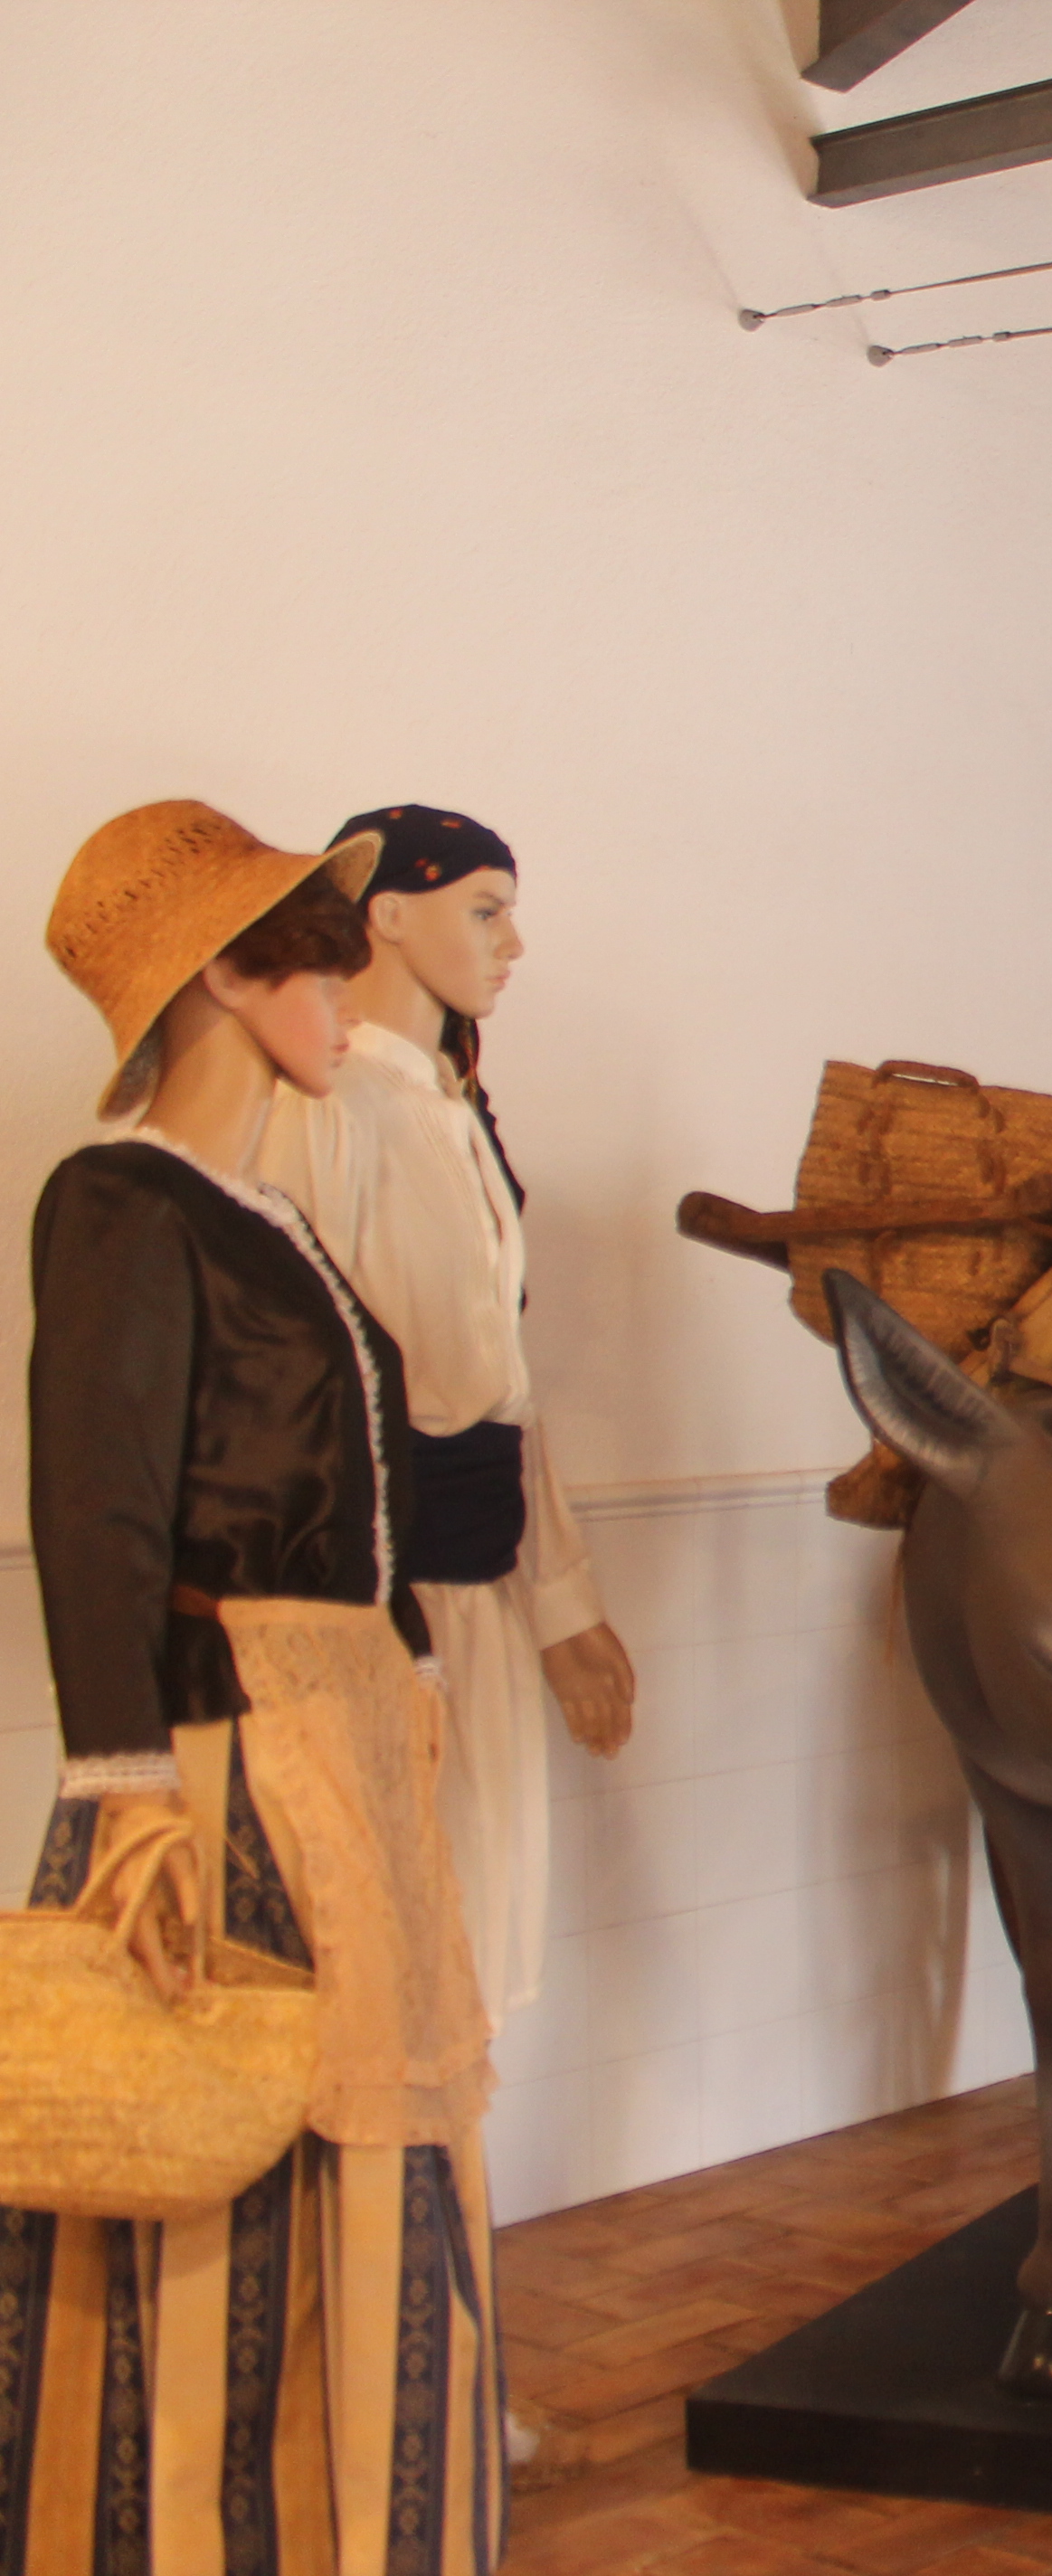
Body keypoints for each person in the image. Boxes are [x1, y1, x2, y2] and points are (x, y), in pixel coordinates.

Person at [6, 800, 504, 2571]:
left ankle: (356, 2528)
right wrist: (126, 1783)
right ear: (226, 971)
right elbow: (98, 1502)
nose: (351, 979)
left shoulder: (260, 1205)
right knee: (223, 2156)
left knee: (369, 2167)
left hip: (335, 1738)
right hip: (221, 1766)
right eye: (314, 947)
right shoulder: (121, 1199)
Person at [260, 806, 635, 2033]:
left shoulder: (449, 1108)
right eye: (485, 908)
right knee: (390, 1939)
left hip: (478, 1578)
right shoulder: (327, 1106)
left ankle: (448, 2215)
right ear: (387, 912)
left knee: (474, 1924)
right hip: (382, 1601)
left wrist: (561, 1606)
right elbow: (310, 1376)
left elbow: (501, 1385)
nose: (511, 942)